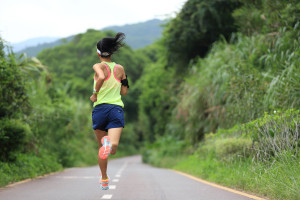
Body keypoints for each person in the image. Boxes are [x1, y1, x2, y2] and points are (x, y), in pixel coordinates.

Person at [90, 32, 129, 190]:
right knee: (112, 147)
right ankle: (109, 143)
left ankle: (104, 179)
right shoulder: (120, 68)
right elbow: (124, 92)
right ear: (111, 52)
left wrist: (95, 94)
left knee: (101, 150)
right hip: (115, 109)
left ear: (98, 52)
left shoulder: (98, 66)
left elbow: (99, 78)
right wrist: (122, 80)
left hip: (100, 109)